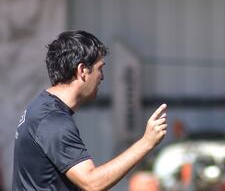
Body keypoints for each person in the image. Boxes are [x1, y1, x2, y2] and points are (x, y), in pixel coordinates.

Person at [12, 30, 168, 190]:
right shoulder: (53, 121)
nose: (102, 77)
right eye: (100, 68)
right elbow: (92, 183)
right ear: (82, 71)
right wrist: (146, 142)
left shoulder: (41, 108)